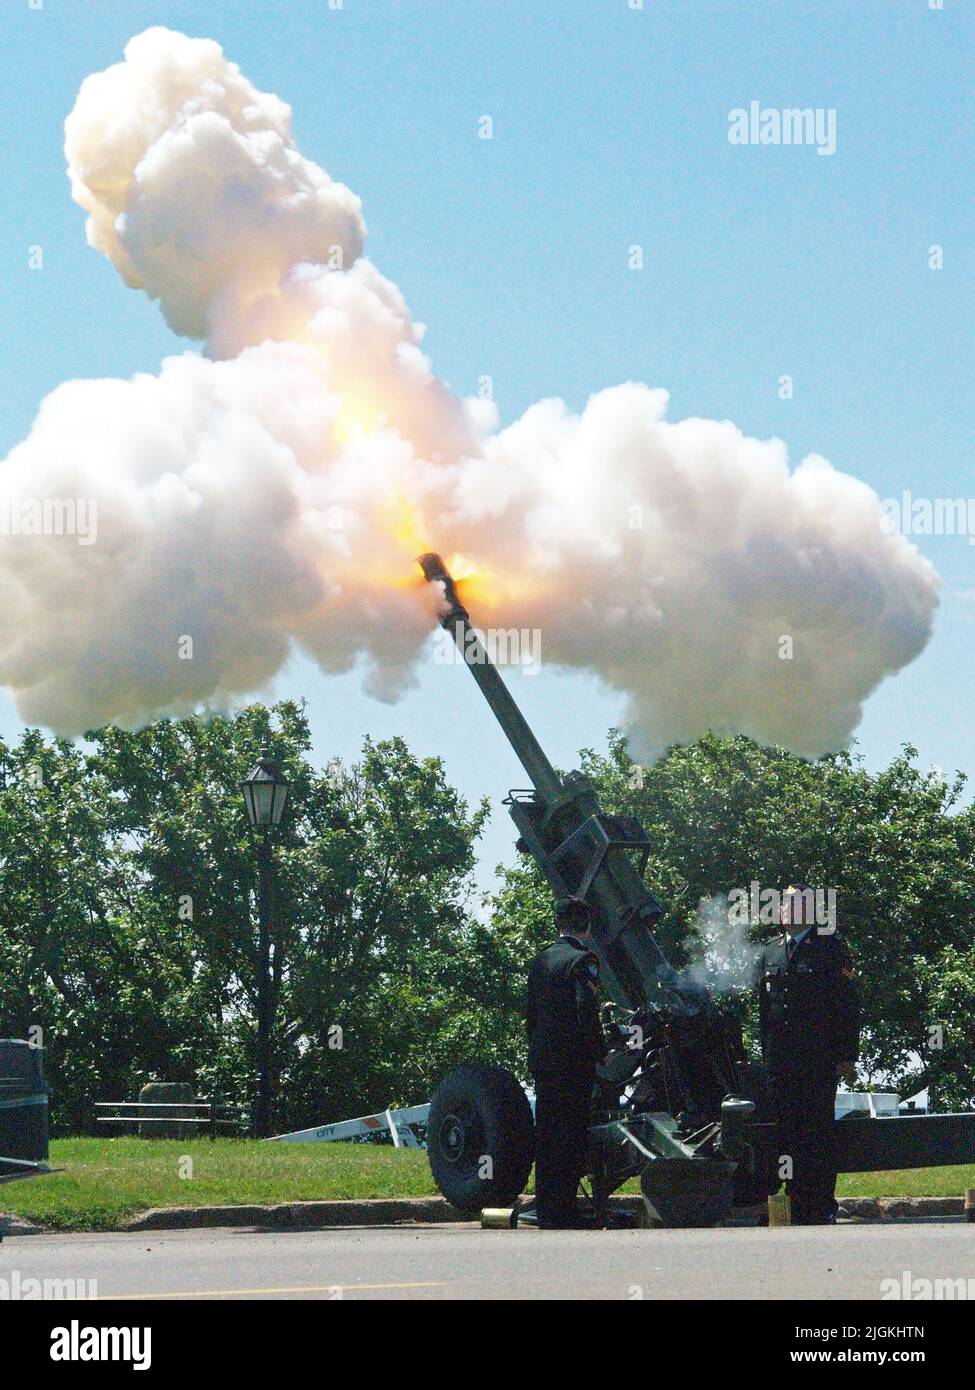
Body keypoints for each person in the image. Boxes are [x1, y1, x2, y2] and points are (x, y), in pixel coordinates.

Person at [756, 883, 861, 1225]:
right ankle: (787, 1201)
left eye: (792, 905)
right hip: (780, 1063)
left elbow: (847, 1007)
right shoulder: (770, 952)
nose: (784, 910)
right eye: (782, 905)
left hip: (817, 1060)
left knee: (816, 1133)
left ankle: (817, 1204)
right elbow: (763, 1012)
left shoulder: (831, 950)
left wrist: (847, 1056)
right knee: (783, 1130)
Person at [526, 896, 604, 1229]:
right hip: (574, 1065)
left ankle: (547, 1209)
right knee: (571, 1137)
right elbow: (585, 1011)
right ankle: (565, 1211)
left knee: (547, 1136)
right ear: (586, 925)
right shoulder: (582, 961)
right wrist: (600, 1051)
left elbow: (530, 1016)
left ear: (559, 924)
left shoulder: (541, 960)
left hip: (545, 1063)